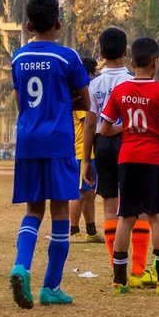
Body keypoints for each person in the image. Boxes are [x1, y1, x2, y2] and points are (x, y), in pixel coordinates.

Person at [9, 0, 94, 308]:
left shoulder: (18, 58)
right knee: (59, 212)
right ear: (58, 23)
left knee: (33, 211)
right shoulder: (66, 57)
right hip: (59, 141)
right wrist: (63, 103)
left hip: (28, 141)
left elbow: (21, 104)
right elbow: (86, 102)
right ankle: (51, 287)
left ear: (28, 25)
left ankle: (20, 266)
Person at [101, 37, 159, 295]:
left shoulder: (119, 91)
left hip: (127, 159)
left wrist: (126, 128)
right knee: (156, 217)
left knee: (125, 218)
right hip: (154, 160)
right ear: (156, 63)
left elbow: (105, 128)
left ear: (132, 62)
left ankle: (119, 281)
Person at [86, 28, 152, 285]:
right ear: (126, 53)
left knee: (110, 206)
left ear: (100, 53)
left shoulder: (94, 83)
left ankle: (118, 269)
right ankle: (138, 269)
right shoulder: (132, 80)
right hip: (131, 142)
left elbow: (90, 125)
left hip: (102, 146)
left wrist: (85, 161)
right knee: (141, 205)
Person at [69, 57, 104, 243]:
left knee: (89, 192)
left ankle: (91, 231)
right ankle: (73, 230)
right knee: (80, 192)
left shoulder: (82, 92)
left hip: (89, 152)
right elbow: (89, 122)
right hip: (81, 151)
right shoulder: (82, 94)